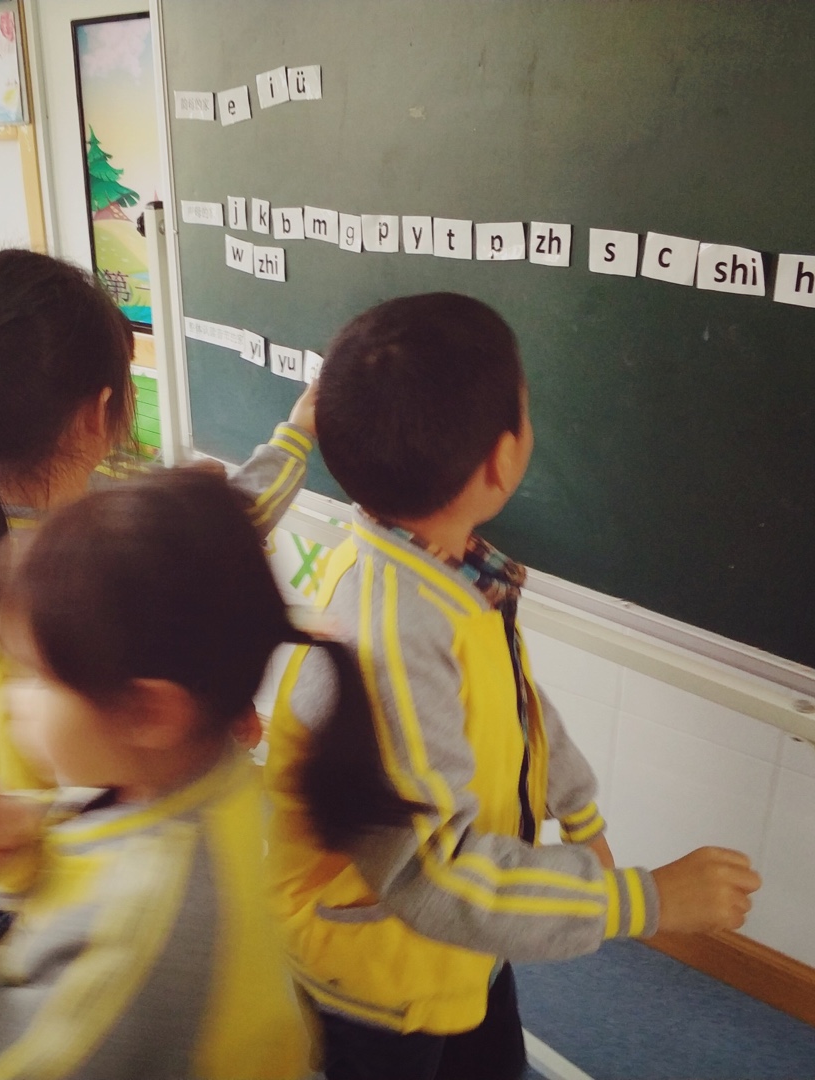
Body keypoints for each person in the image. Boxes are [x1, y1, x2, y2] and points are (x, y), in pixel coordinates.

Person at [264, 293, 762, 1080]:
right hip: (382, 977)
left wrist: (577, 808)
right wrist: (646, 900)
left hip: (465, 942)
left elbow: (514, 702)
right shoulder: (392, 636)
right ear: (502, 461)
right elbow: (435, 875)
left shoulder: (446, 568)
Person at [0, 470, 344, 1078]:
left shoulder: (135, 930)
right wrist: (22, 850)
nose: (11, 700)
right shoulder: (198, 776)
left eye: (38, 678)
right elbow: (98, 858)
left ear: (150, 713)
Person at [0, 249, 314, 790]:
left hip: (28, 811)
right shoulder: (87, 562)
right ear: (97, 414)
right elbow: (230, 528)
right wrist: (296, 436)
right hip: (129, 812)